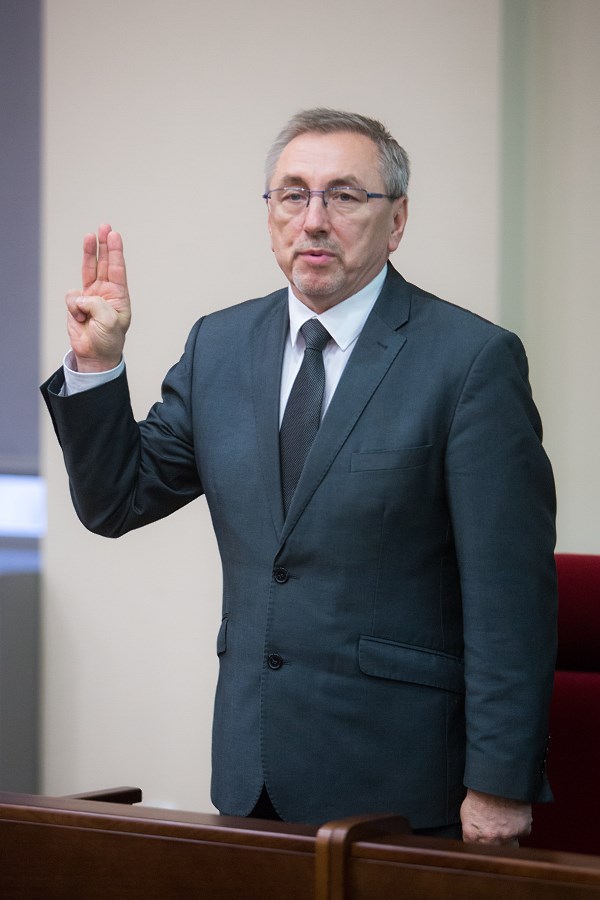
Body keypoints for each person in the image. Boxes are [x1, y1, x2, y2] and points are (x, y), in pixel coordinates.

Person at [42, 108, 557, 843]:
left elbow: (510, 599)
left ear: (396, 220)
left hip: (406, 785)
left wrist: (500, 783)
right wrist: (98, 365)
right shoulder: (220, 345)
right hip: (250, 772)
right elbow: (116, 500)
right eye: (292, 195)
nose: (313, 220)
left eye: (343, 195)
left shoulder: (471, 361)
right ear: (271, 214)